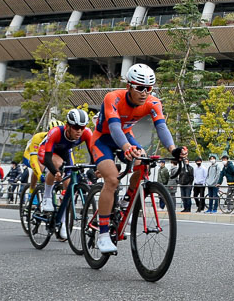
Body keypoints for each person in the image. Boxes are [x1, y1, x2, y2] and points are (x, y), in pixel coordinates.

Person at [88, 64, 185, 254]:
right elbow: (114, 127)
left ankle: (125, 203)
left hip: (126, 136)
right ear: (129, 87)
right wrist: (126, 148)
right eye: (140, 88)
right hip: (103, 140)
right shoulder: (112, 98)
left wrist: (173, 149)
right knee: (112, 179)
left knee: (142, 163)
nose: (144, 93)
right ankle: (104, 234)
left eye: (149, 89)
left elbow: (162, 127)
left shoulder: (153, 102)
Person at [36, 109, 92, 241]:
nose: (79, 131)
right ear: (67, 126)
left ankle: (62, 222)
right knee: (58, 165)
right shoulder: (56, 132)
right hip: (46, 152)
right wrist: (56, 172)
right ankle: (47, 196)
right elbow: (49, 159)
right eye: (76, 127)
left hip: (65, 152)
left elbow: (93, 155)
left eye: (82, 127)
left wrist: (93, 171)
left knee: (69, 188)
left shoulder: (87, 133)